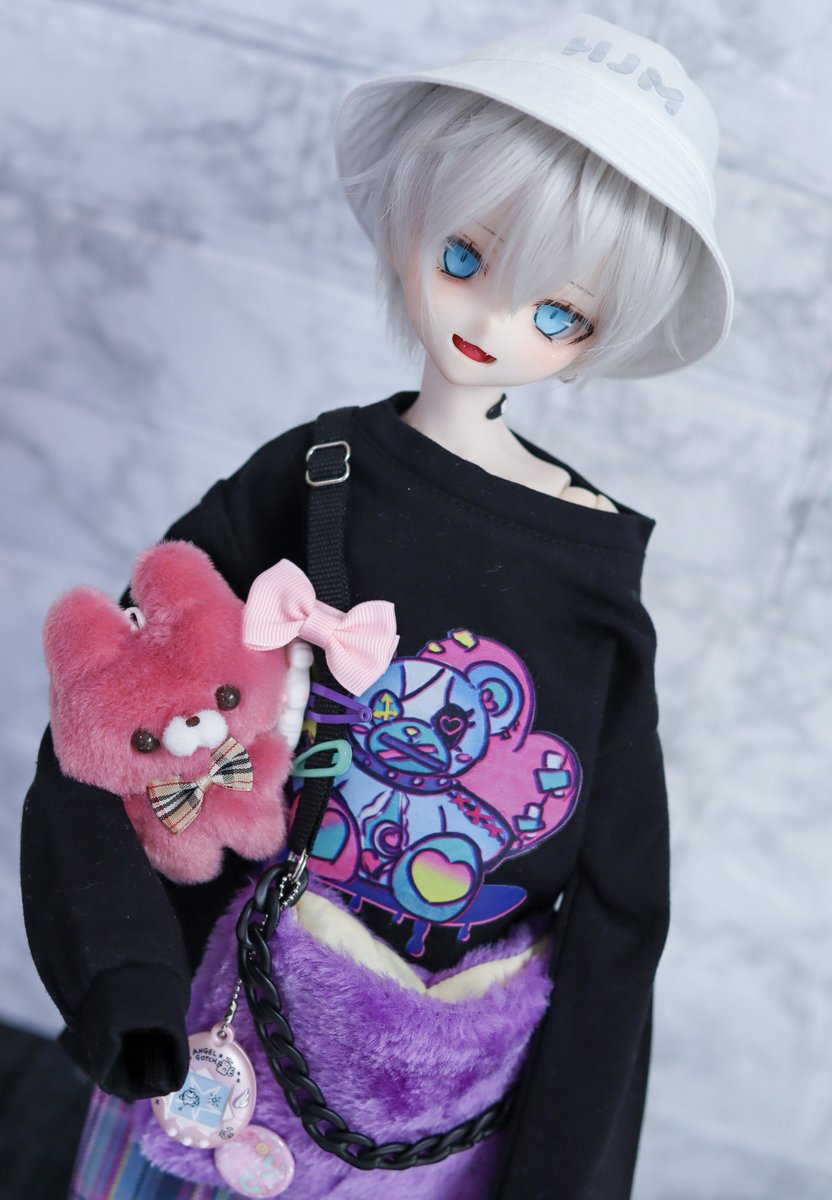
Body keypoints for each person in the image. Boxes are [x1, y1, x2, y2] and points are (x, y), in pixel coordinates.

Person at [21, 12, 733, 1199]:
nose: (491, 323)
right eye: (465, 256)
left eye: (557, 312)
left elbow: (619, 916)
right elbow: (107, 714)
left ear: (599, 335)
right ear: (413, 220)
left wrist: (561, 1174)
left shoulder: (590, 572)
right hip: (206, 1037)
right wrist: (119, 971)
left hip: (414, 1111)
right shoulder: (318, 477)